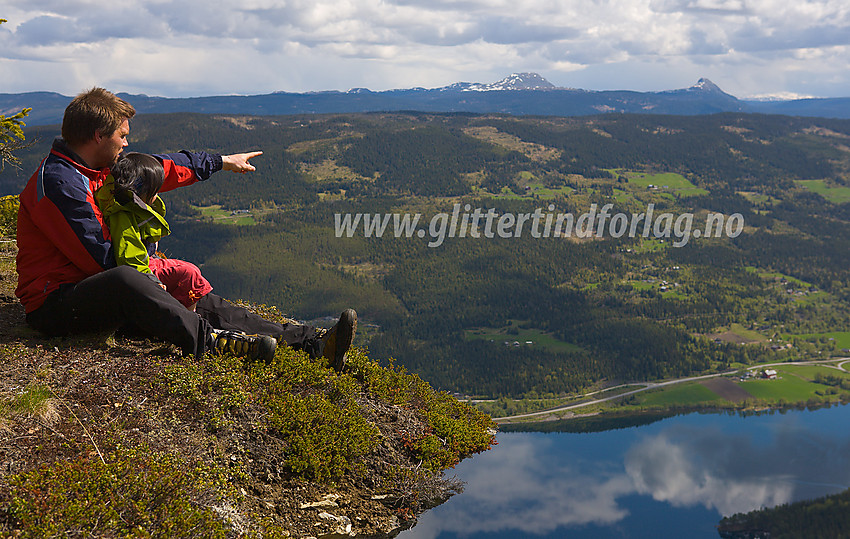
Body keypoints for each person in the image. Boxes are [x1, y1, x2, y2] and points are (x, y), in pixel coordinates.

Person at [15, 87, 356, 370]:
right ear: (98, 135)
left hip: (102, 288)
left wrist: (221, 162)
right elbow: (103, 262)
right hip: (57, 305)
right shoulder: (60, 185)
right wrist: (166, 271)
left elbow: (163, 166)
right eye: (122, 135)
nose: (125, 144)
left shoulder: (99, 167)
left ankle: (311, 343)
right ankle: (211, 341)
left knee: (198, 296)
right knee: (131, 278)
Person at [95, 151, 211, 311]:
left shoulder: (122, 202)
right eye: (153, 192)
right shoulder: (123, 216)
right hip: (143, 270)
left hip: (144, 265)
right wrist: (151, 281)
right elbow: (130, 257)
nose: (156, 196)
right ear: (140, 191)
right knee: (189, 274)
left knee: (189, 272)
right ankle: (188, 319)